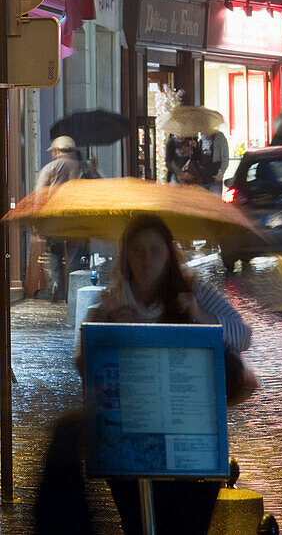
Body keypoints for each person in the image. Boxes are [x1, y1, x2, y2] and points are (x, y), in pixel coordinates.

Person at [85, 214, 253, 535]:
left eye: (155, 250)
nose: (147, 260)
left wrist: (199, 315)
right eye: (138, 251)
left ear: (168, 253)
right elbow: (87, 367)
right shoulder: (111, 302)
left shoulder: (196, 290)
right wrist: (103, 324)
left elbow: (242, 335)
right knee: (138, 525)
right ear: (126, 256)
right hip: (131, 447)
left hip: (191, 444)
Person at [35, 136, 85, 301]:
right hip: (77, 218)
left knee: (54, 252)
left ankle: (56, 283)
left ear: (56, 151)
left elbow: (39, 195)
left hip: (55, 218)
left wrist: (38, 221)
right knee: (74, 257)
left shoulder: (49, 168)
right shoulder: (83, 168)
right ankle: (72, 294)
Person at [198, 126, 230, 194]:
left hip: (214, 174)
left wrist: (221, 173)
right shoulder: (200, 138)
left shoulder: (219, 136)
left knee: (215, 200)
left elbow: (225, 157)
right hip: (202, 176)